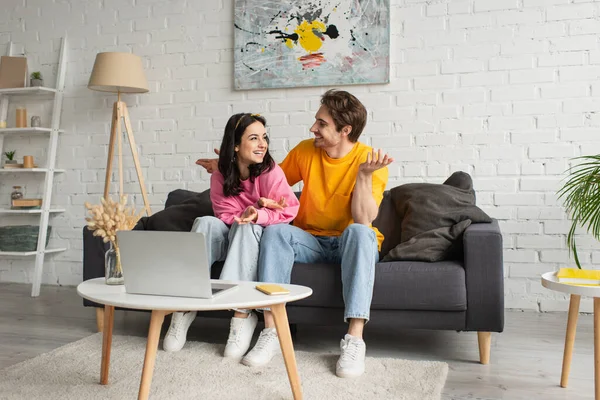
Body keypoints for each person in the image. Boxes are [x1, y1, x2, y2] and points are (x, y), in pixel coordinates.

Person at [197, 89, 392, 378]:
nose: (313, 128)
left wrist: (363, 176)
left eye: (322, 124)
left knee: (361, 233)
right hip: (309, 240)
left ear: (345, 130)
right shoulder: (305, 151)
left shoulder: (369, 160)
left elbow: (364, 219)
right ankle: (272, 331)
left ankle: (354, 338)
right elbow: (266, 179)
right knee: (276, 231)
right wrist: (229, 165)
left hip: (348, 243)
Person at [164, 113, 300, 360]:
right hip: (231, 235)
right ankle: (184, 307)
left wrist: (257, 214)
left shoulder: (271, 172)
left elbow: (289, 210)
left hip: (254, 239)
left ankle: (241, 314)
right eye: (254, 138)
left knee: (247, 228)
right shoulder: (221, 173)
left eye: (264, 138)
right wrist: (242, 215)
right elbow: (223, 212)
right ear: (236, 145)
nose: (263, 144)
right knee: (205, 221)